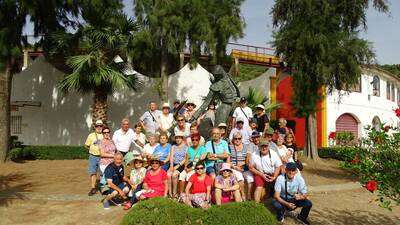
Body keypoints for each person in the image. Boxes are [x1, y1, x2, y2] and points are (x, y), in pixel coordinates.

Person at [228, 132, 253, 201]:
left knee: (250, 179)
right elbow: (228, 161)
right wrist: (235, 167)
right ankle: (243, 195)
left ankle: (249, 195)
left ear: (241, 139)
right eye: (235, 138)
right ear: (233, 139)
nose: (237, 140)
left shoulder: (246, 146)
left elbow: (248, 157)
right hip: (235, 167)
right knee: (240, 178)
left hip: (244, 167)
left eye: (239, 138)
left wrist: (245, 165)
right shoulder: (230, 147)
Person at [84, 119, 104, 196]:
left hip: (102, 157)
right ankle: (93, 188)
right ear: (95, 127)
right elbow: (86, 145)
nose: (99, 127)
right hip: (93, 156)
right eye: (97, 126)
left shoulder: (104, 134)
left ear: (102, 127)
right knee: (93, 173)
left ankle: (102, 188)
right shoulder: (91, 135)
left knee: (102, 173)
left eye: (100, 126)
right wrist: (91, 150)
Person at [168, 132, 188, 198]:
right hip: (173, 163)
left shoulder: (186, 147)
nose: (178, 139)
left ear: (182, 139)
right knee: (168, 174)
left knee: (174, 175)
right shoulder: (173, 146)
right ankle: (170, 193)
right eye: (176, 138)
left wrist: (178, 165)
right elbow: (171, 157)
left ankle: (175, 193)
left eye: (179, 138)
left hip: (181, 164)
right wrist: (171, 166)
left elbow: (185, 158)